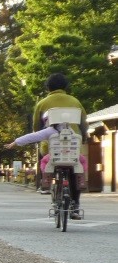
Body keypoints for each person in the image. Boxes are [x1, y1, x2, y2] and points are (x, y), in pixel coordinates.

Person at [5, 108, 87, 218]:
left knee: (44, 161)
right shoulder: (71, 130)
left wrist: (16, 142)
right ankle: (77, 196)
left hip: (55, 159)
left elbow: (31, 137)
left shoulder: (49, 131)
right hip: (72, 160)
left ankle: (46, 178)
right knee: (78, 167)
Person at [29, 72, 89, 214]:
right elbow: (83, 123)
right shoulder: (75, 101)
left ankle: (46, 181)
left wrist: (38, 137)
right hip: (72, 145)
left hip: (51, 146)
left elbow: (36, 127)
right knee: (75, 167)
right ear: (65, 86)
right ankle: (75, 205)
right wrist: (84, 137)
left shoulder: (42, 103)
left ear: (48, 87)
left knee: (46, 158)